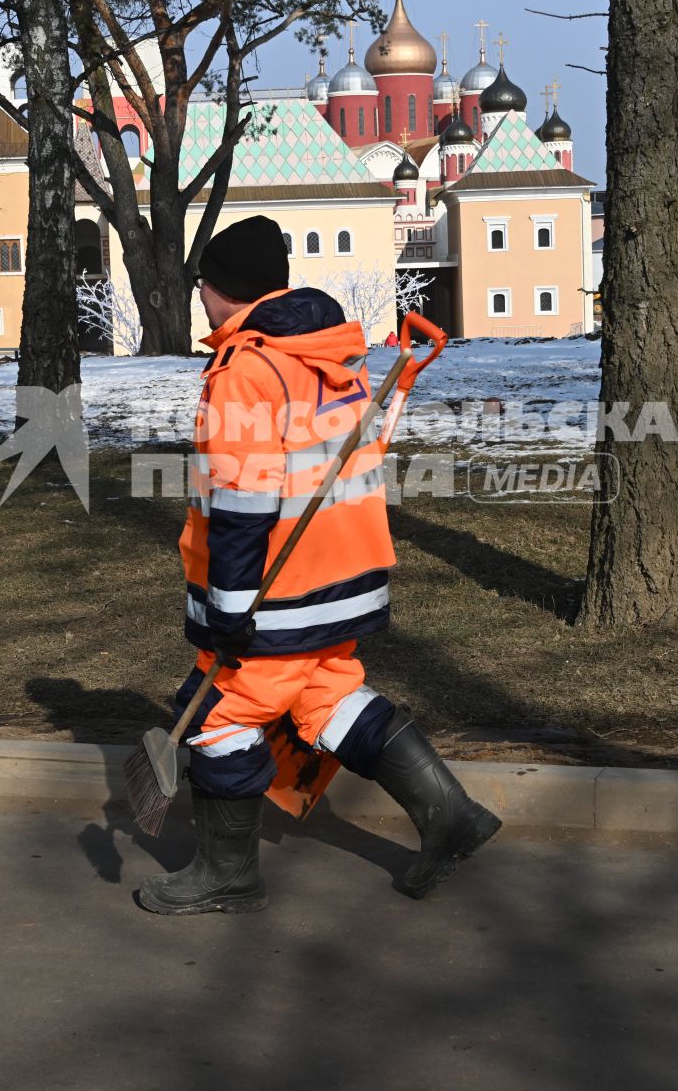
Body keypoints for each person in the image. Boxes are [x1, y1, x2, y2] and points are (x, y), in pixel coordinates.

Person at [137, 214, 501, 916]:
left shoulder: (247, 370)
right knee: (325, 697)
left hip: (277, 593)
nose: (201, 301)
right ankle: (450, 815)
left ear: (221, 292)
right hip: (345, 579)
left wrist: (231, 608)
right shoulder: (333, 352)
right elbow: (354, 453)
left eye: (202, 288)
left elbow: (242, 499)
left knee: (214, 714)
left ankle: (227, 873)